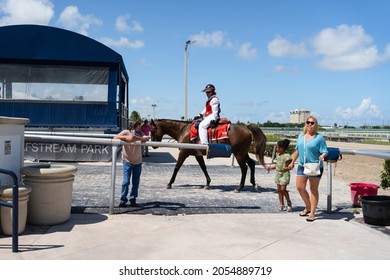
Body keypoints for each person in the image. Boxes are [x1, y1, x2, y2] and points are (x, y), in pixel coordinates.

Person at [287, 116, 328, 222]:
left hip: (314, 166)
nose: (309, 124)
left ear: (316, 125)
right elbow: (297, 151)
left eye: (312, 123)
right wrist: (292, 162)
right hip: (302, 165)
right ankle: (308, 206)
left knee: (313, 189)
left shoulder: (319, 138)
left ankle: (312, 213)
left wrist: (322, 156)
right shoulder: (301, 136)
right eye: (308, 122)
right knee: (300, 187)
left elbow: (325, 151)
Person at [114, 121, 150, 207]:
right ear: (132, 126)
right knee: (126, 182)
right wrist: (127, 138)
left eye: (140, 127)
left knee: (135, 182)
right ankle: (123, 199)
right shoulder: (126, 132)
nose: (139, 128)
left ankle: (133, 199)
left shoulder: (140, 133)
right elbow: (115, 137)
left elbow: (147, 138)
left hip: (138, 162)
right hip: (127, 161)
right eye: (138, 126)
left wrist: (137, 138)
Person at [266, 139, 293, 212]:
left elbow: (291, 166)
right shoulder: (278, 156)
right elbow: (277, 165)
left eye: (277, 147)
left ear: (281, 148)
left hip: (284, 174)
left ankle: (289, 203)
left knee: (283, 189)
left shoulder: (287, 156)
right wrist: (270, 168)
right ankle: (281, 204)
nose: (277, 149)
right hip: (278, 174)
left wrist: (287, 168)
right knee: (279, 190)